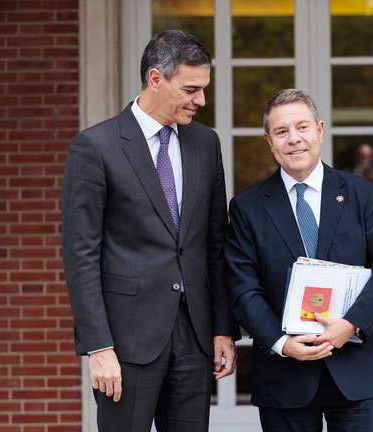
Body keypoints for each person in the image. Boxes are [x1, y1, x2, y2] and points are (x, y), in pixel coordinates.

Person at [61, 30, 239, 432]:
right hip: (125, 344)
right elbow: (81, 255)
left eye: (204, 89)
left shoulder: (206, 144)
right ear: (155, 79)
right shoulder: (95, 146)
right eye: (191, 89)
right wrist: (98, 346)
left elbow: (216, 242)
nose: (201, 101)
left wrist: (223, 329)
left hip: (194, 339)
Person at [225, 88, 373, 431]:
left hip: (357, 371)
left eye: (302, 127)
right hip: (284, 377)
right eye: (281, 132)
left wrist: (350, 324)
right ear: (269, 141)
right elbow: (242, 288)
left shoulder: (362, 195)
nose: (294, 139)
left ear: (320, 130)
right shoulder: (247, 207)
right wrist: (281, 344)